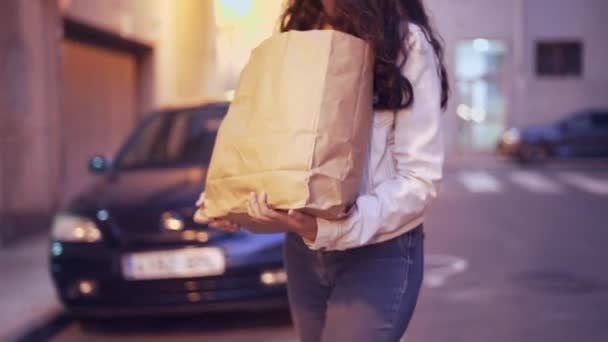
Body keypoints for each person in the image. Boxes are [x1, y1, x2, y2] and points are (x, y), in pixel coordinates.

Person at [195, 0, 449, 340]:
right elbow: (272, 146)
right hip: (303, 252)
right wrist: (234, 201)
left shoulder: (405, 42)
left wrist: (328, 228)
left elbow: (420, 181)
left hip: (378, 251)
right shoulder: (300, 32)